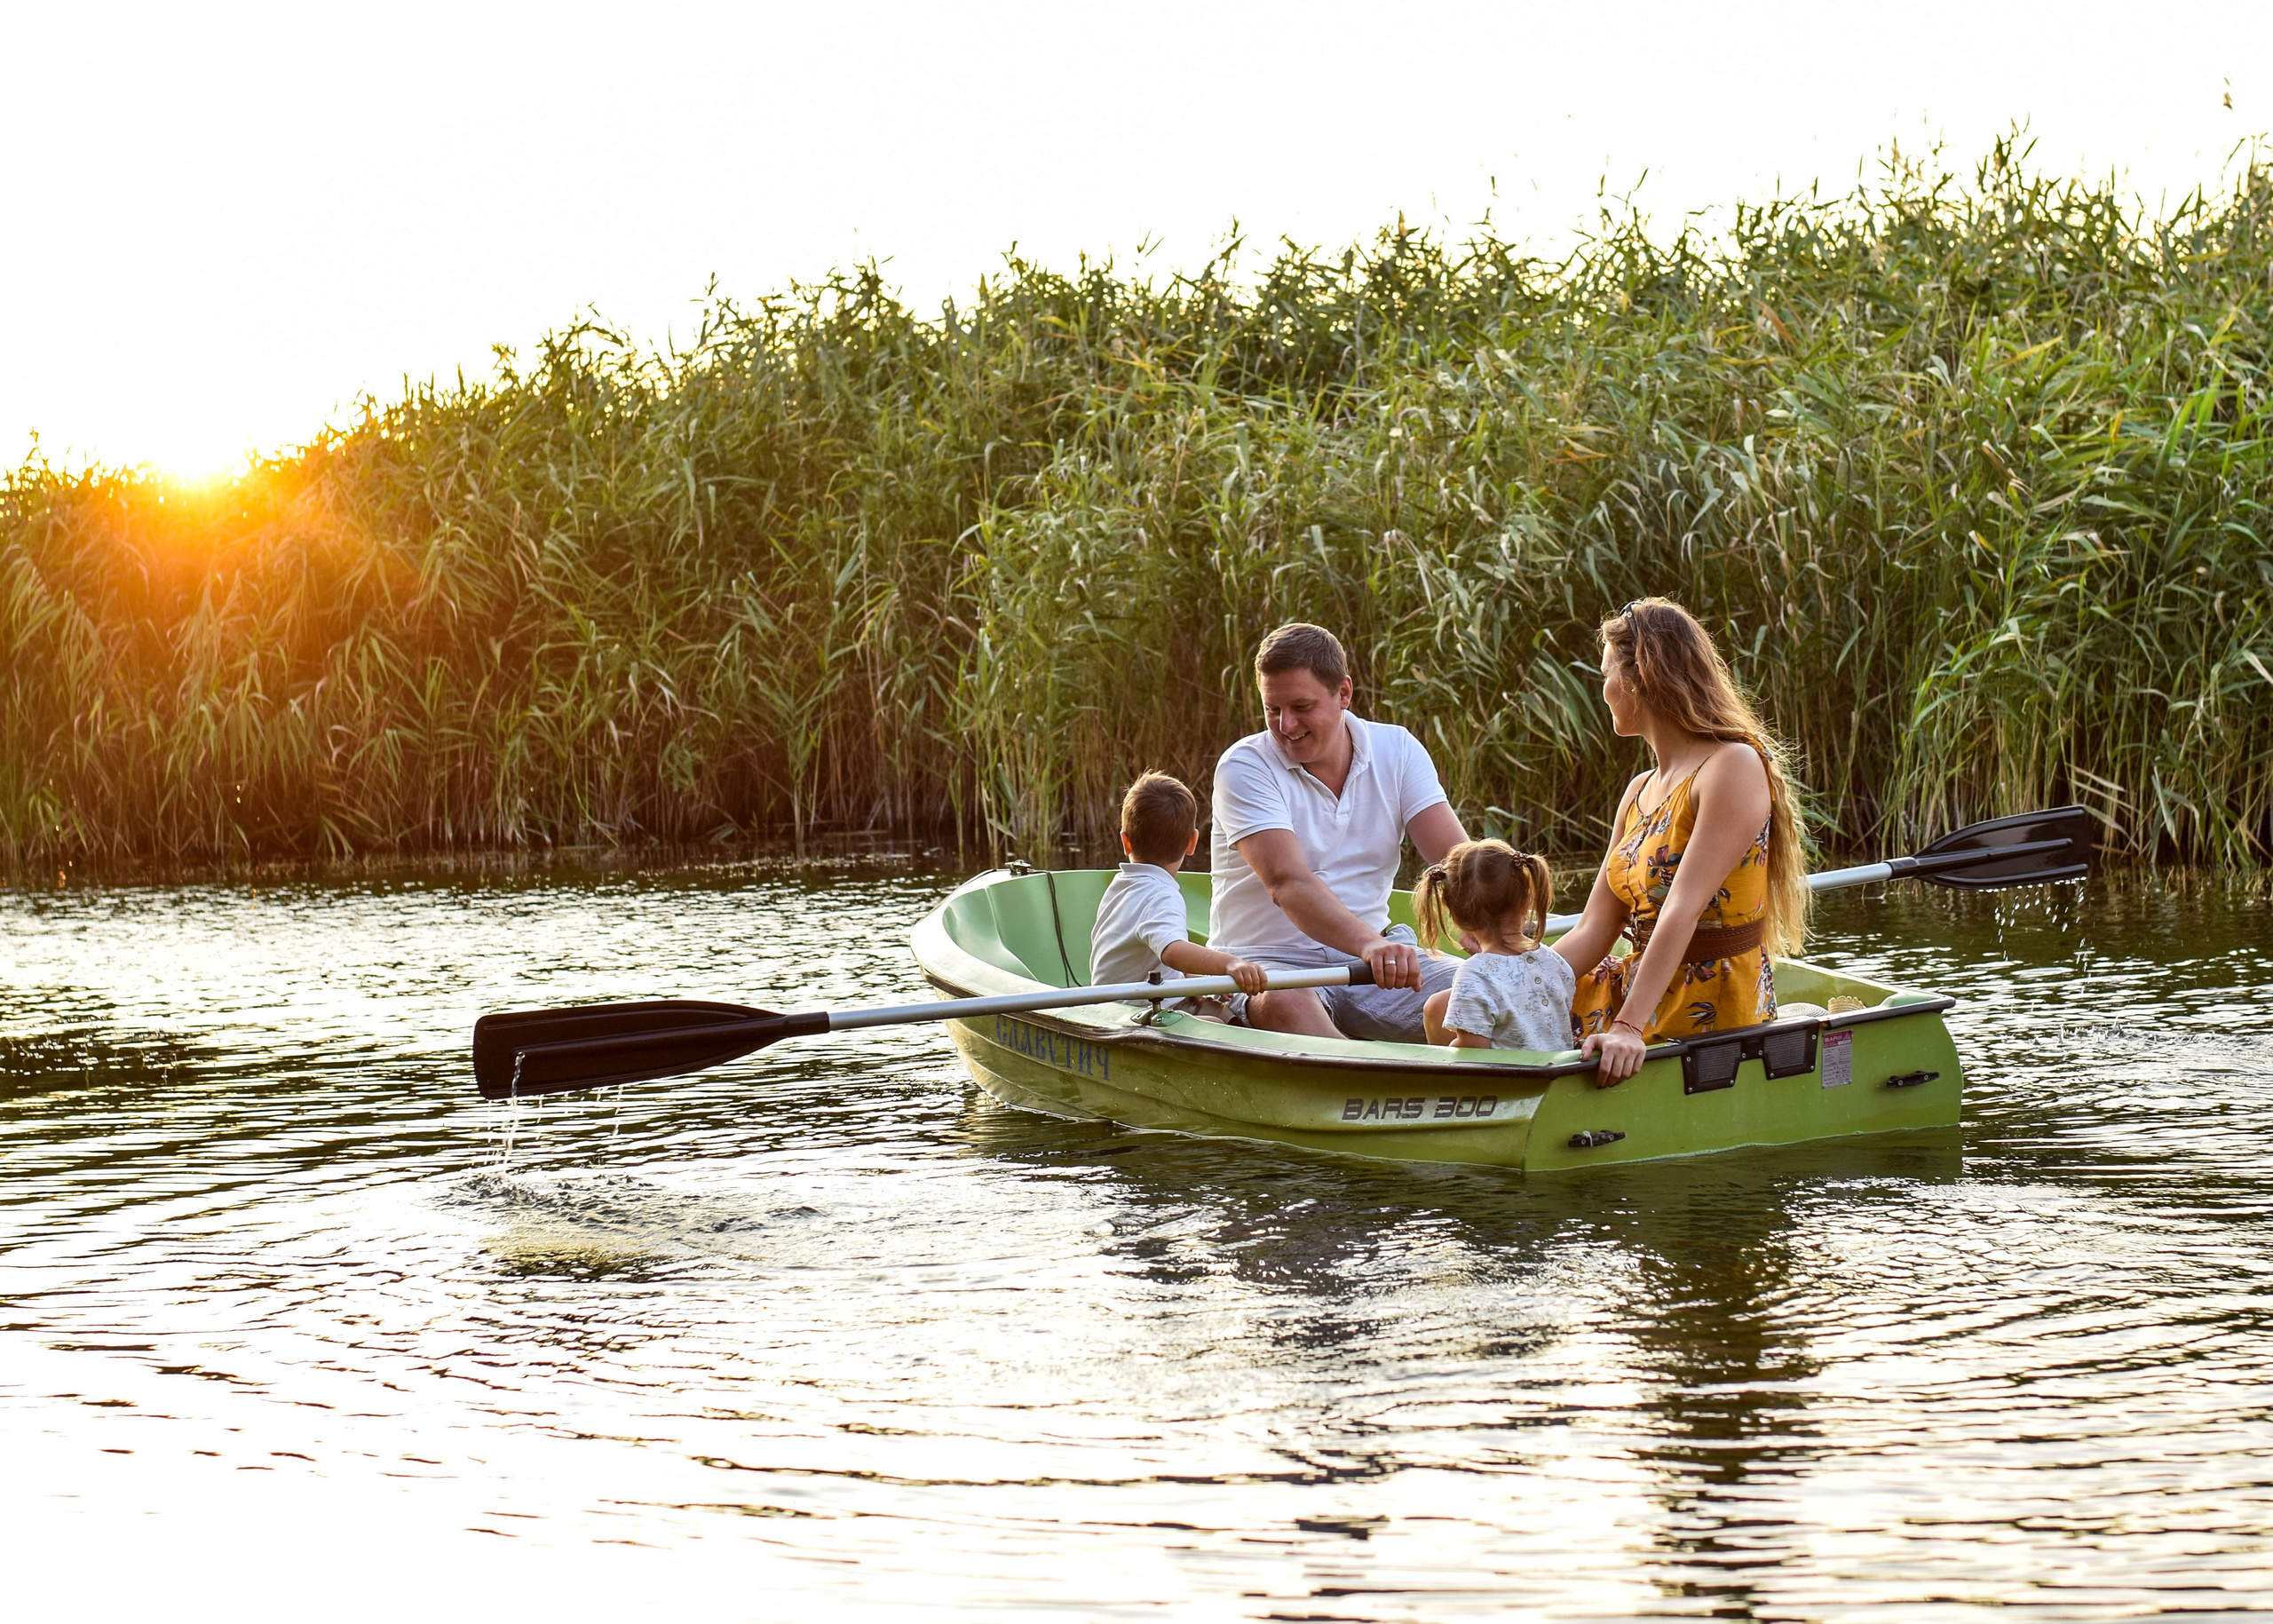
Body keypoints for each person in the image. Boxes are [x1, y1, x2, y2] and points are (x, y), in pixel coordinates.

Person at [1554, 598, 1809, 1086]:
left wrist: (1628, 1026)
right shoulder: (1638, 791)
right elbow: (1593, 929)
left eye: (1606, 673)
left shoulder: (1731, 766)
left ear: (1637, 678)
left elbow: (1682, 908)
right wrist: (1513, 976)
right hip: (1640, 984)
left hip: (1708, 1002)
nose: (1603, 688)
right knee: (1453, 1008)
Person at [1208, 623, 1469, 1042]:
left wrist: (1487, 923)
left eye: (1301, 707)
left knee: (1488, 988)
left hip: (1373, 967)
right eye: (1272, 709)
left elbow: (1456, 859)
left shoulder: (1397, 750)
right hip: (1268, 967)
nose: (1286, 724)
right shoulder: (1244, 766)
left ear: (1344, 693)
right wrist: (1369, 943)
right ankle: (1373, 1089)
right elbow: (1287, 883)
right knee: (1287, 1002)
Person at [1091, 771, 1269, 1014]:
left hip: (1112, 1004)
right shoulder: (1160, 896)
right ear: (1192, 843)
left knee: (1219, 1010)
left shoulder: (1121, 885)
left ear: (1125, 841)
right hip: (1144, 1009)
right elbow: (1172, 951)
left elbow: (1152, 946)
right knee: (1229, 1021)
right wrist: (1230, 963)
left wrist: (1192, 980)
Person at [1414, 840, 1578, 1051]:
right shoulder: (1554, 961)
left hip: (1511, 1082)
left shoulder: (1474, 975)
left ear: (1455, 915)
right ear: (1526, 901)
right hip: (1559, 1072)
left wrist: (1440, 1051)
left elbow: (1473, 1053)